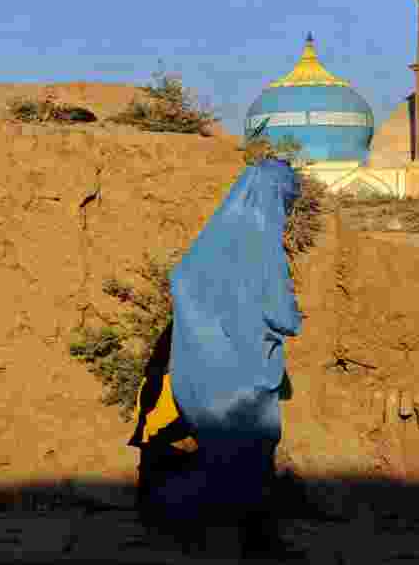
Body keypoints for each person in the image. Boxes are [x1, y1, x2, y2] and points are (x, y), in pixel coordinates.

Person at [129, 157, 303, 557]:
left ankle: (206, 535)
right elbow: (281, 315)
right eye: (285, 201)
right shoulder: (262, 245)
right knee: (251, 463)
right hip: (243, 383)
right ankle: (251, 544)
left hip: (200, 378)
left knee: (218, 459)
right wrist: (290, 317)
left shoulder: (211, 239)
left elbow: (186, 284)